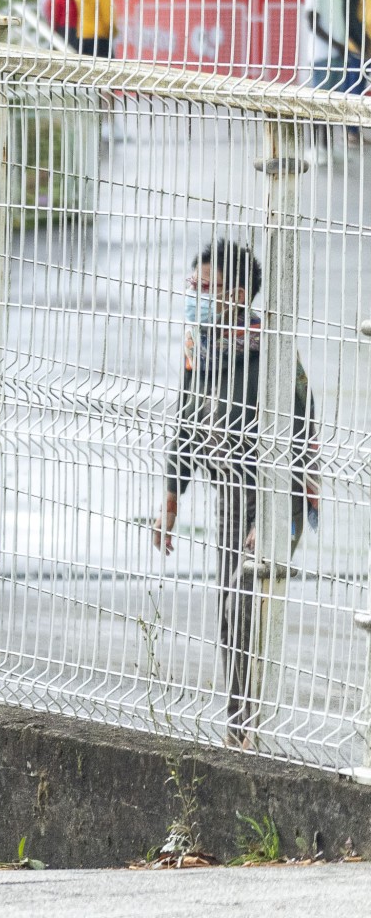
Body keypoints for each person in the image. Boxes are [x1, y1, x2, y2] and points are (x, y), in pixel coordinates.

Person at [153, 240, 318, 749]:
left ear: (238, 294)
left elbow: (301, 429)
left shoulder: (272, 350)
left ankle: (248, 727)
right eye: (193, 287)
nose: (195, 297)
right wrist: (172, 500)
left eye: (206, 289)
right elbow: (185, 418)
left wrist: (270, 518)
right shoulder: (199, 345)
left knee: (245, 608)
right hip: (226, 492)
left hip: (270, 496)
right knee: (229, 613)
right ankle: (239, 725)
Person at [301, 0, 351, 92]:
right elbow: (312, 23)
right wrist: (337, 45)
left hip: (338, 56)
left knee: (336, 107)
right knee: (321, 106)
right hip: (322, 56)